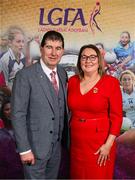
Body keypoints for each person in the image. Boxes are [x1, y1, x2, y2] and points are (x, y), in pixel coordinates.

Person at [11, 30, 69, 179]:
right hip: (34, 149)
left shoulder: (62, 73)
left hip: (56, 149)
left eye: (58, 48)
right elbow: (18, 115)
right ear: (42, 48)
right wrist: (24, 150)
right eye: (49, 47)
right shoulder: (25, 76)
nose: (53, 53)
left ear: (62, 50)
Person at [67, 44, 122, 179]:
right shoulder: (72, 81)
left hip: (100, 142)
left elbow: (117, 117)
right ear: (79, 61)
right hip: (77, 141)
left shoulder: (111, 82)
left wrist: (108, 145)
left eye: (92, 57)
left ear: (99, 61)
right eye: (84, 57)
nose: (88, 61)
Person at [0, 99, 24, 179]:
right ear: (2, 114)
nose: (10, 111)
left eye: (13, 109)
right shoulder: (1, 134)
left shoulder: (26, 131)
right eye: (7, 109)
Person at [0, 26, 26, 90]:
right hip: (7, 96)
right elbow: (3, 86)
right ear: (10, 43)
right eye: (18, 41)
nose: (21, 45)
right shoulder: (4, 60)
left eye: (23, 41)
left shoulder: (23, 57)